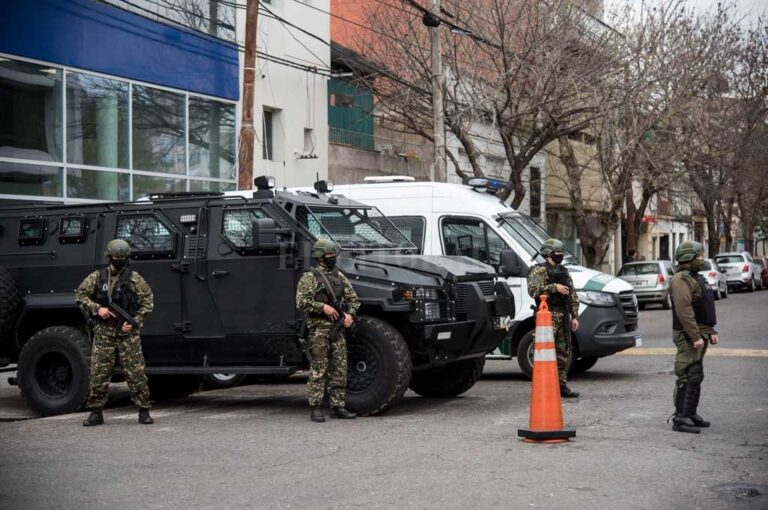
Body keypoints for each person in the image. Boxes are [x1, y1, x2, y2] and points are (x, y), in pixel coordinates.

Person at [76, 239, 154, 426]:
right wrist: (97, 309)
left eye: (122, 257)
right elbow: (80, 295)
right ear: (109, 257)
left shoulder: (134, 278)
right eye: (116, 257)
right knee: (99, 373)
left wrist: (135, 322)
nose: (119, 260)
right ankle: (96, 412)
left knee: (136, 373)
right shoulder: (97, 277)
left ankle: (144, 410)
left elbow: (148, 301)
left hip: (127, 332)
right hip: (104, 331)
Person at [296, 239, 361, 423]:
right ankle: (315, 407)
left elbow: (354, 300)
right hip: (318, 330)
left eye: (334, 255)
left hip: (337, 329)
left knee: (340, 368)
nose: (333, 258)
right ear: (320, 256)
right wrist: (322, 307)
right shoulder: (309, 277)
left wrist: (350, 315)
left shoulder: (339, 276)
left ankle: (337, 406)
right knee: (319, 368)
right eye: (329, 255)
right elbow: (301, 302)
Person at [668, 241, 718, 434]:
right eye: (698, 256)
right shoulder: (681, 279)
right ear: (688, 258)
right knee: (687, 374)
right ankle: (680, 418)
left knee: (696, 375)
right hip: (687, 335)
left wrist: (710, 333)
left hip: (699, 333)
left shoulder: (695, 277)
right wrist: (695, 335)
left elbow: (703, 308)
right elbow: (684, 310)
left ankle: (691, 413)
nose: (701, 259)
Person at [527, 238, 581, 398]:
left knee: (563, 352)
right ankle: (543, 386)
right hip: (547, 317)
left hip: (563, 316)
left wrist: (575, 316)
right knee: (544, 353)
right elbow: (533, 290)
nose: (560, 255)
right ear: (549, 253)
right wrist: (553, 287)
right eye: (558, 252)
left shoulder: (564, 271)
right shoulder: (538, 270)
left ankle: (561, 385)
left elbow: (572, 294)